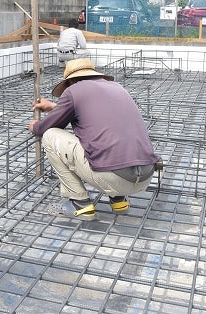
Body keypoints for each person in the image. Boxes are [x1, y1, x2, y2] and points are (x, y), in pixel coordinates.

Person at [29, 58, 161, 221]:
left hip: (113, 177)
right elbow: (95, 114)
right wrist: (54, 107)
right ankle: (119, 200)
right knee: (109, 138)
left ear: (71, 81)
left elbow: (46, 127)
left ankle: (79, 203)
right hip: (145, 174)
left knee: (50, 136)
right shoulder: (117, 88)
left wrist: (35, 126)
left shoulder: (74, 90)